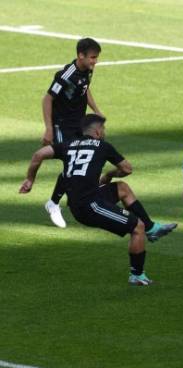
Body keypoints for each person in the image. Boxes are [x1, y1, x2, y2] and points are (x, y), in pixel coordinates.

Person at [20, 114, 177, 286]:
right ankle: (137, 275)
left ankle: (152, 228)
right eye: (103, 129)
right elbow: (127, 168)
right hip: (89, 206)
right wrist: (109, 174)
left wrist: (30, 180)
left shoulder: (68, 145)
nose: (105, 132)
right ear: (97, 131)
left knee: (122, 188)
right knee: (136, 227)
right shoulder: (103, 146)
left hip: (81, 200)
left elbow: (38, 155)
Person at [43, 38, 104, 228]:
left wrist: (96, 110)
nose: (95, 61)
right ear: (80, 56)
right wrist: (48, 128)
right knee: (71, 162)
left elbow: (85, 90)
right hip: (61, 125)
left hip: (79, 124)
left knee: (82, 160)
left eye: (96, 58)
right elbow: (47, 99)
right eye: (93, 57)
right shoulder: (66, 75)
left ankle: (67, 199)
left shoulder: (87, 71)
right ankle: (53, 204)